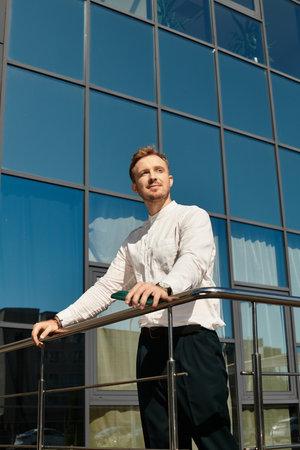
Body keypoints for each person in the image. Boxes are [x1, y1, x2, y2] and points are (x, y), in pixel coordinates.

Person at [32, 146, 238, 450]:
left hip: (194, 342)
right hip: (150, 347)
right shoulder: (134, 240)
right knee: (161, 442)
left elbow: (194, 262)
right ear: (135, 186)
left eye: (157, 171)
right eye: (144, 173)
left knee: (213, 438)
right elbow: (105, 288)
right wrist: (60, 319)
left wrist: (164, 287)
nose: (151, 176)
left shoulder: (192, 217)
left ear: (170, 179)